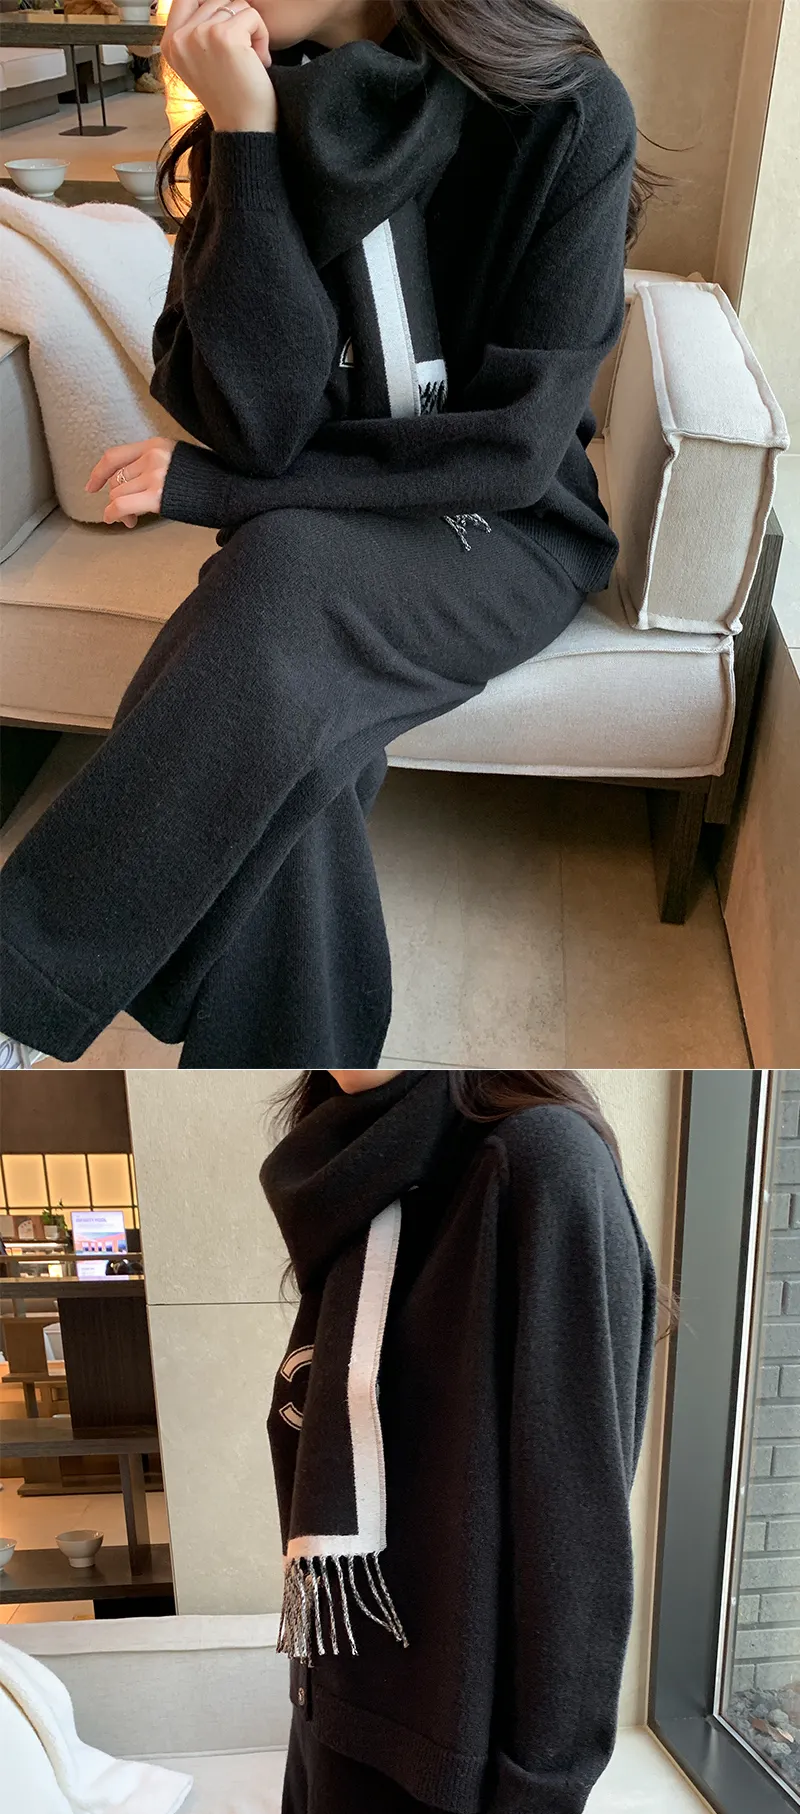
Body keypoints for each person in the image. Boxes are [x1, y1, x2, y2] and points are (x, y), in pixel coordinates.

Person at [0, 0, 640, 1064]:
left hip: (508, 528)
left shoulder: (564, 106)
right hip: (327, 520)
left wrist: (222, 494)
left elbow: (517, 448)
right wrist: (248, 141)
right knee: (295, 731)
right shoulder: (257, 100)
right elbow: (262, 426)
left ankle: (19, 988)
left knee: (279, 572)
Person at [257, 1064, 657, 1814]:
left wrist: (541, 1801)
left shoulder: (537, 1165)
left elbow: (575, 1519)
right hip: (333, 1724)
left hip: (438, 1767)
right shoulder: (363, 1174)